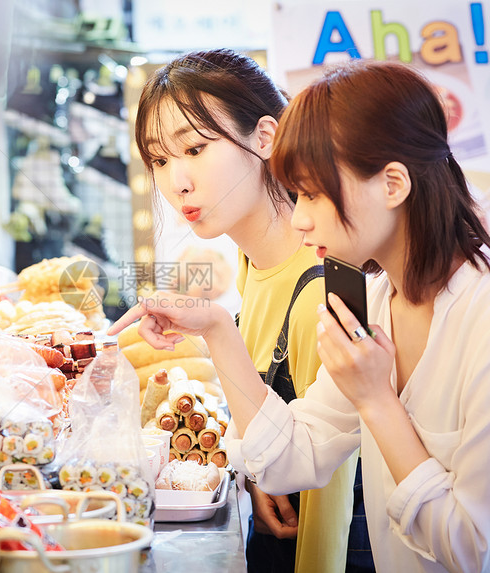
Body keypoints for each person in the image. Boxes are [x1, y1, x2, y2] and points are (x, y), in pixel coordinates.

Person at [111, 58, 490, 572]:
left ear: (392, 185)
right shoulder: (374, 302)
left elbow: (470, 549)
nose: (300, 216)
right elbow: (289, 458)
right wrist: (216, 328)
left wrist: (376, 399)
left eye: (314, 193)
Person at [132, 49, 358, 573]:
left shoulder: (324, 290)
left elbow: (334, 501)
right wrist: (256, 470)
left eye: (194, 148)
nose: (177, 183)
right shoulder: (249, 261)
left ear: (265, 137)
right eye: (160, 160)